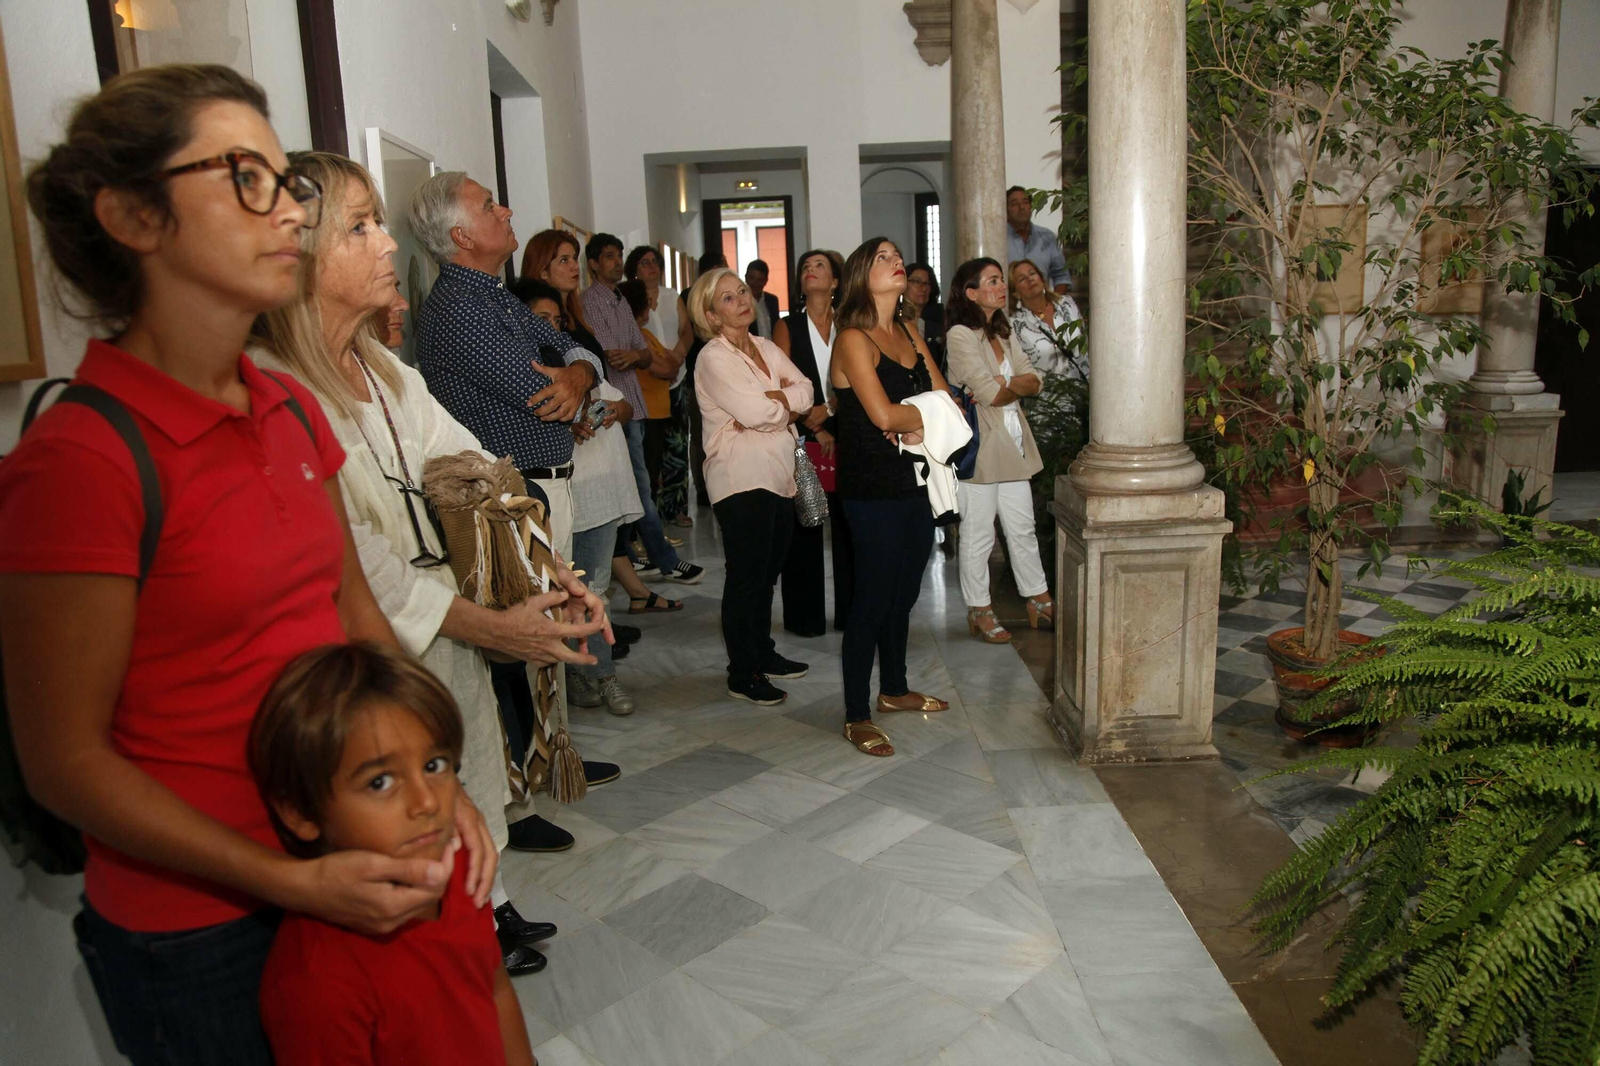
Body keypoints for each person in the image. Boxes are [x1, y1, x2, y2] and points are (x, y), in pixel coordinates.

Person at [0, 64, 495, 1064]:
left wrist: (438, 786)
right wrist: (286, 880)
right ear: (134, 217)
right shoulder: (81, 459)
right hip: (200, 927)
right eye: (246, 179)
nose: (290, 212)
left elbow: (356, 623)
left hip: (341, 855)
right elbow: (65, 762)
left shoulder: (288, 408)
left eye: (288, 183)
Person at [251, 151, 612, 972]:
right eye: (361, 227)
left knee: (470, 779)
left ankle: (481, 918)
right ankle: (455, 945)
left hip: (445, 620)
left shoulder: (383, 368)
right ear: (300, 252)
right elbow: (357, 560)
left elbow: (477, 468)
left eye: (381, 223)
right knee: (405, 823)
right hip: (370, 652)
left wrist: (548, 572)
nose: (388, 244)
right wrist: (493, 626)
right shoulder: (276, 386)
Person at [252, 643, 536, 1066]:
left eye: (435, 765)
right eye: (380, 782)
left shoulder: (459, 867)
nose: (427, 802)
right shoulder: (315, 983)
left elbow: (495, 989)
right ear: (301, 812)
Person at [830, 238, 953, 757]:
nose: (896, 260)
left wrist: (913, 419)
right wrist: (917, 417)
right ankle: (856, 713)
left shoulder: (908, 331)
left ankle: (895, 689)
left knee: (904, 593)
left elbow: (945, 398)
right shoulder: (852, 339)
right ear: (861, 275)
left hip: (915, 480)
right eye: (882, 257)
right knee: (873, 600)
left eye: (896, 254)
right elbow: (881, 415)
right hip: (871, 487)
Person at [519, 233, 683, 622]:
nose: (573, 267)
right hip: (573, 451)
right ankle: (613, 610)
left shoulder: (576, 313)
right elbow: (609, 362)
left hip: (606, 424)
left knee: (604, 539)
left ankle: (616, 607)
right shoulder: (539, 327)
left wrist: (613, 395)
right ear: (542, 269)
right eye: (563, 260)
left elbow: (617, 366)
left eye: (573, 257)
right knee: (583, 557)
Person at [513, 275, 642, 716]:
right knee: (565, 592)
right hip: (565, 494)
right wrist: (565, 428)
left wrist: (611, 410)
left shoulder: (577, 364)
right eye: (541, 319)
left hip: (602, 492)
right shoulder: (523, 377)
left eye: (556, 319)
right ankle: (579, 675)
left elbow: (624, 403)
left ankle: (603, 675)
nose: (551, 327)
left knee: (595, 590)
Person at [687, 268, 813, 706]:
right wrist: (781, 407)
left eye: (742, 291)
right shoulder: (713, 358)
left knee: (767, 574)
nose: (742, 300)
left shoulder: (765, 347)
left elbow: (807, 390)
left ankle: (762, 652)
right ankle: (742, 672)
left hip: (779, 473)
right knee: (746, 578)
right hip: (739, 478)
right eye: (728, 297)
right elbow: (757, 413)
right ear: (711, 315)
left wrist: (778, 404)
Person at [581, 232, 705, 585]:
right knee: (637, 487)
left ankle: (638, 558)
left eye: (619, 255)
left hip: (633, 406)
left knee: (638, 485)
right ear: (593, 263)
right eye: (609, 256)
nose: (617, 262)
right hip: (610, 408)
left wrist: (638, 355)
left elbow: (642, 352)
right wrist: (637, 355)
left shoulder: (620, 299)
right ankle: (664, 560)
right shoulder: (590, 302)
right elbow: (613, 355)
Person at [944, 257, 1055, 642]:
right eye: (992, 281)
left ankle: (1038, 598)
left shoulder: (1003, 332)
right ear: (971, 293)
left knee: (1022, 527)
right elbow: (989, 392)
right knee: (978, 533)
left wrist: (1005, 383)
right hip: (981, 445)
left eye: (1000, 280)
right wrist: (1008, 385)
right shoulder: (961, 335)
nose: (1001, 286)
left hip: (1012, 440)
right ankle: (979, 608)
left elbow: (1035, 380)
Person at [772, 248, 846, 636]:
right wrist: (816, 425)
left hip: (849, 428)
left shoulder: (849, 323)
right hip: (802, 431)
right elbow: (781, 384)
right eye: (805, 267)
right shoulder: (788, 326)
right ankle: (805, 619)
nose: (810, 270)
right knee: (805, 520)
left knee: (850, 525)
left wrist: (830, 409)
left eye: (820, 266)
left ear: (835, 281)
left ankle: (852, 614)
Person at [624, 245, 695, 528]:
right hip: (648, 383)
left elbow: (686, 331)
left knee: (677, 445)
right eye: (644, 262)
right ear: (634, 270)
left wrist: (677, 356)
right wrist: (664, 363)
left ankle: (675, 507)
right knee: (650, 450)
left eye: (655, 261)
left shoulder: (671, 296)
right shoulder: (629, 300)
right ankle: (650, 513)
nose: (651, 266)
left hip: (676, 376)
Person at [686, 249, 729, 508]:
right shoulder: (689, 297)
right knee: (702, 433)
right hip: (699, 377)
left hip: (732, 373)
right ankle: (704, 488)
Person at [1009, 257, 1087, 387]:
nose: (1030, 279)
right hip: (1049, 396)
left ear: (1042, 279)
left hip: (1085, 391)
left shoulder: (1067, 304)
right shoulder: (1015, 324)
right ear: (1016, 293)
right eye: (1022, 279)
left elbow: (1086, 344)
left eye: (1032, 273)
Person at [1005, 185, 1071, 294]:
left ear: (1031, 207)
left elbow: (1062, 277)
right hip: (1009, 303)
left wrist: (1052, 301)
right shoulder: (998, 240)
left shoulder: (1047, 237)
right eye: (1015, 204)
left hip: (1043, 301)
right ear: (1006, 210)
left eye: (1025, 202)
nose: (1021, 207)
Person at [903, 262, 946, 376]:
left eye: (927, 283)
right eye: (916, 282)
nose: (923, 288)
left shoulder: (939, 319)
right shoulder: (893, 318)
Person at [746, 258, 780, 338]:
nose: (755, 283)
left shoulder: (772, 300)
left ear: (766, 281)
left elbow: (776, 327)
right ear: (746, 277)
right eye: (752, 278)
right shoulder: (741, 301)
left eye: (760, 280)